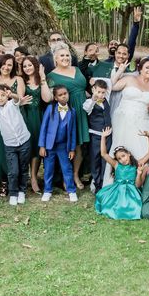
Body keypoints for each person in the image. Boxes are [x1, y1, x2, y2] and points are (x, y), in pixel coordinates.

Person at [107, 58, 149, 184]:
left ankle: (142, 182)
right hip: (124, 119)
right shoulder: (129, 79)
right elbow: (112, 86)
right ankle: (120, 180)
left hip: (144, 120)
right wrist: (120, 71)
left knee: (146, 149)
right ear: (140, 69)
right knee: (126, 147)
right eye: (147, 67)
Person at [47, 43, 90, 189]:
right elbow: (49, 97)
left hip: (83, 109)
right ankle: (66, 177)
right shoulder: (51, 76)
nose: (66, 58)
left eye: (67, 55)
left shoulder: (77, 69)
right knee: (67, 145)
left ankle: (76, 174)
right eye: (62, 56)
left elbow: (84, 89)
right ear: (56, 59)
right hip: (67, 111)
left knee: (79, 145)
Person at [95, 127, 149, 220]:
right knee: (111, 205)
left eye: (123, 156)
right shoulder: (116, 164)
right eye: (119, 158)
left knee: (135, 206)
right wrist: (103, 137)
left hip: (132, 190)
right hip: (118, 189)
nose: (122, 160)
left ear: (128, 154)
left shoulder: (137, 164)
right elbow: (104, 154)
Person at [0, 54, 26, 196]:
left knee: (18, 152)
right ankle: (4, 182)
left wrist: (11, 95)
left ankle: (18, 183)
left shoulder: (18, 79)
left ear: (13, 66)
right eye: (4, 64)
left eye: (10, 64)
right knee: (2, 152)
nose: (6, 67)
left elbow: (20, 99)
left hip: (16, 121)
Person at [39, 85, 78, 202]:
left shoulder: (72, 111)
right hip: (50, 146)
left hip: (63, 146)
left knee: (67, 168)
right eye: (60, 95)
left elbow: (73, 132)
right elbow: (44, 128)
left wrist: (72, 149)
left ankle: (71, 191)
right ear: (55, 98)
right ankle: (47, 190)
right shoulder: (50, 109)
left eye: (65, 93)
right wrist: (42, 145)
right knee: (49, 169)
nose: (63, 96)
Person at [21, 56, 52, 193]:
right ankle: (25, 175)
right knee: (26, 147)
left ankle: (33, 177)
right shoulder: (21, 81)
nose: (27, 68)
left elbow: (47, 98)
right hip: (24, 117)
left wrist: (42, 77)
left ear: (35, 65)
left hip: (38, 117)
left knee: (37, 146)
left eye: (29, 65)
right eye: (24, 66)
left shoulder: (42, 81)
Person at [82, 79, 111, 193]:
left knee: (106, 158)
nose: (101, 95)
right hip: (96, 135)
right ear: (93, 89)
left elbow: (110, 81)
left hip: (108, 135)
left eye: (103, 92)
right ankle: (96, 182)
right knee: (95, 159)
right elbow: (87, 109)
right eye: (98, 92)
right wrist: (93, 99)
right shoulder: (89, 102)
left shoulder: (106, 100)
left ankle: (104, 182)